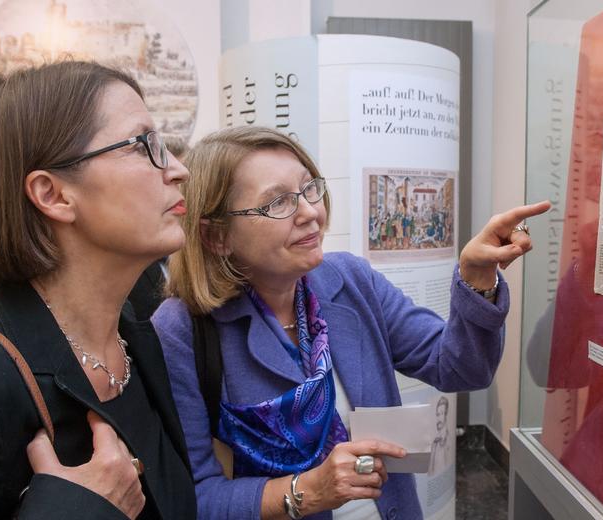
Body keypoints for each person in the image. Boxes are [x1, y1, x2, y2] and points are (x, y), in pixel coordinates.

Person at [152, 126, 550, 519]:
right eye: (278, 202)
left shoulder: (349, 280)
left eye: (309, 189)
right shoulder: (181, 330)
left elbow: (461, 368)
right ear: (217, 236)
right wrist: (309, 491)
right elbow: (194, 499)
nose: (311, 212)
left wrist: (476, 279)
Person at [0, 61, 197, 519]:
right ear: (53, 194)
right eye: (142, 145)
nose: (178, 169)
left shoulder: (134, 333)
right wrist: (77, 510)